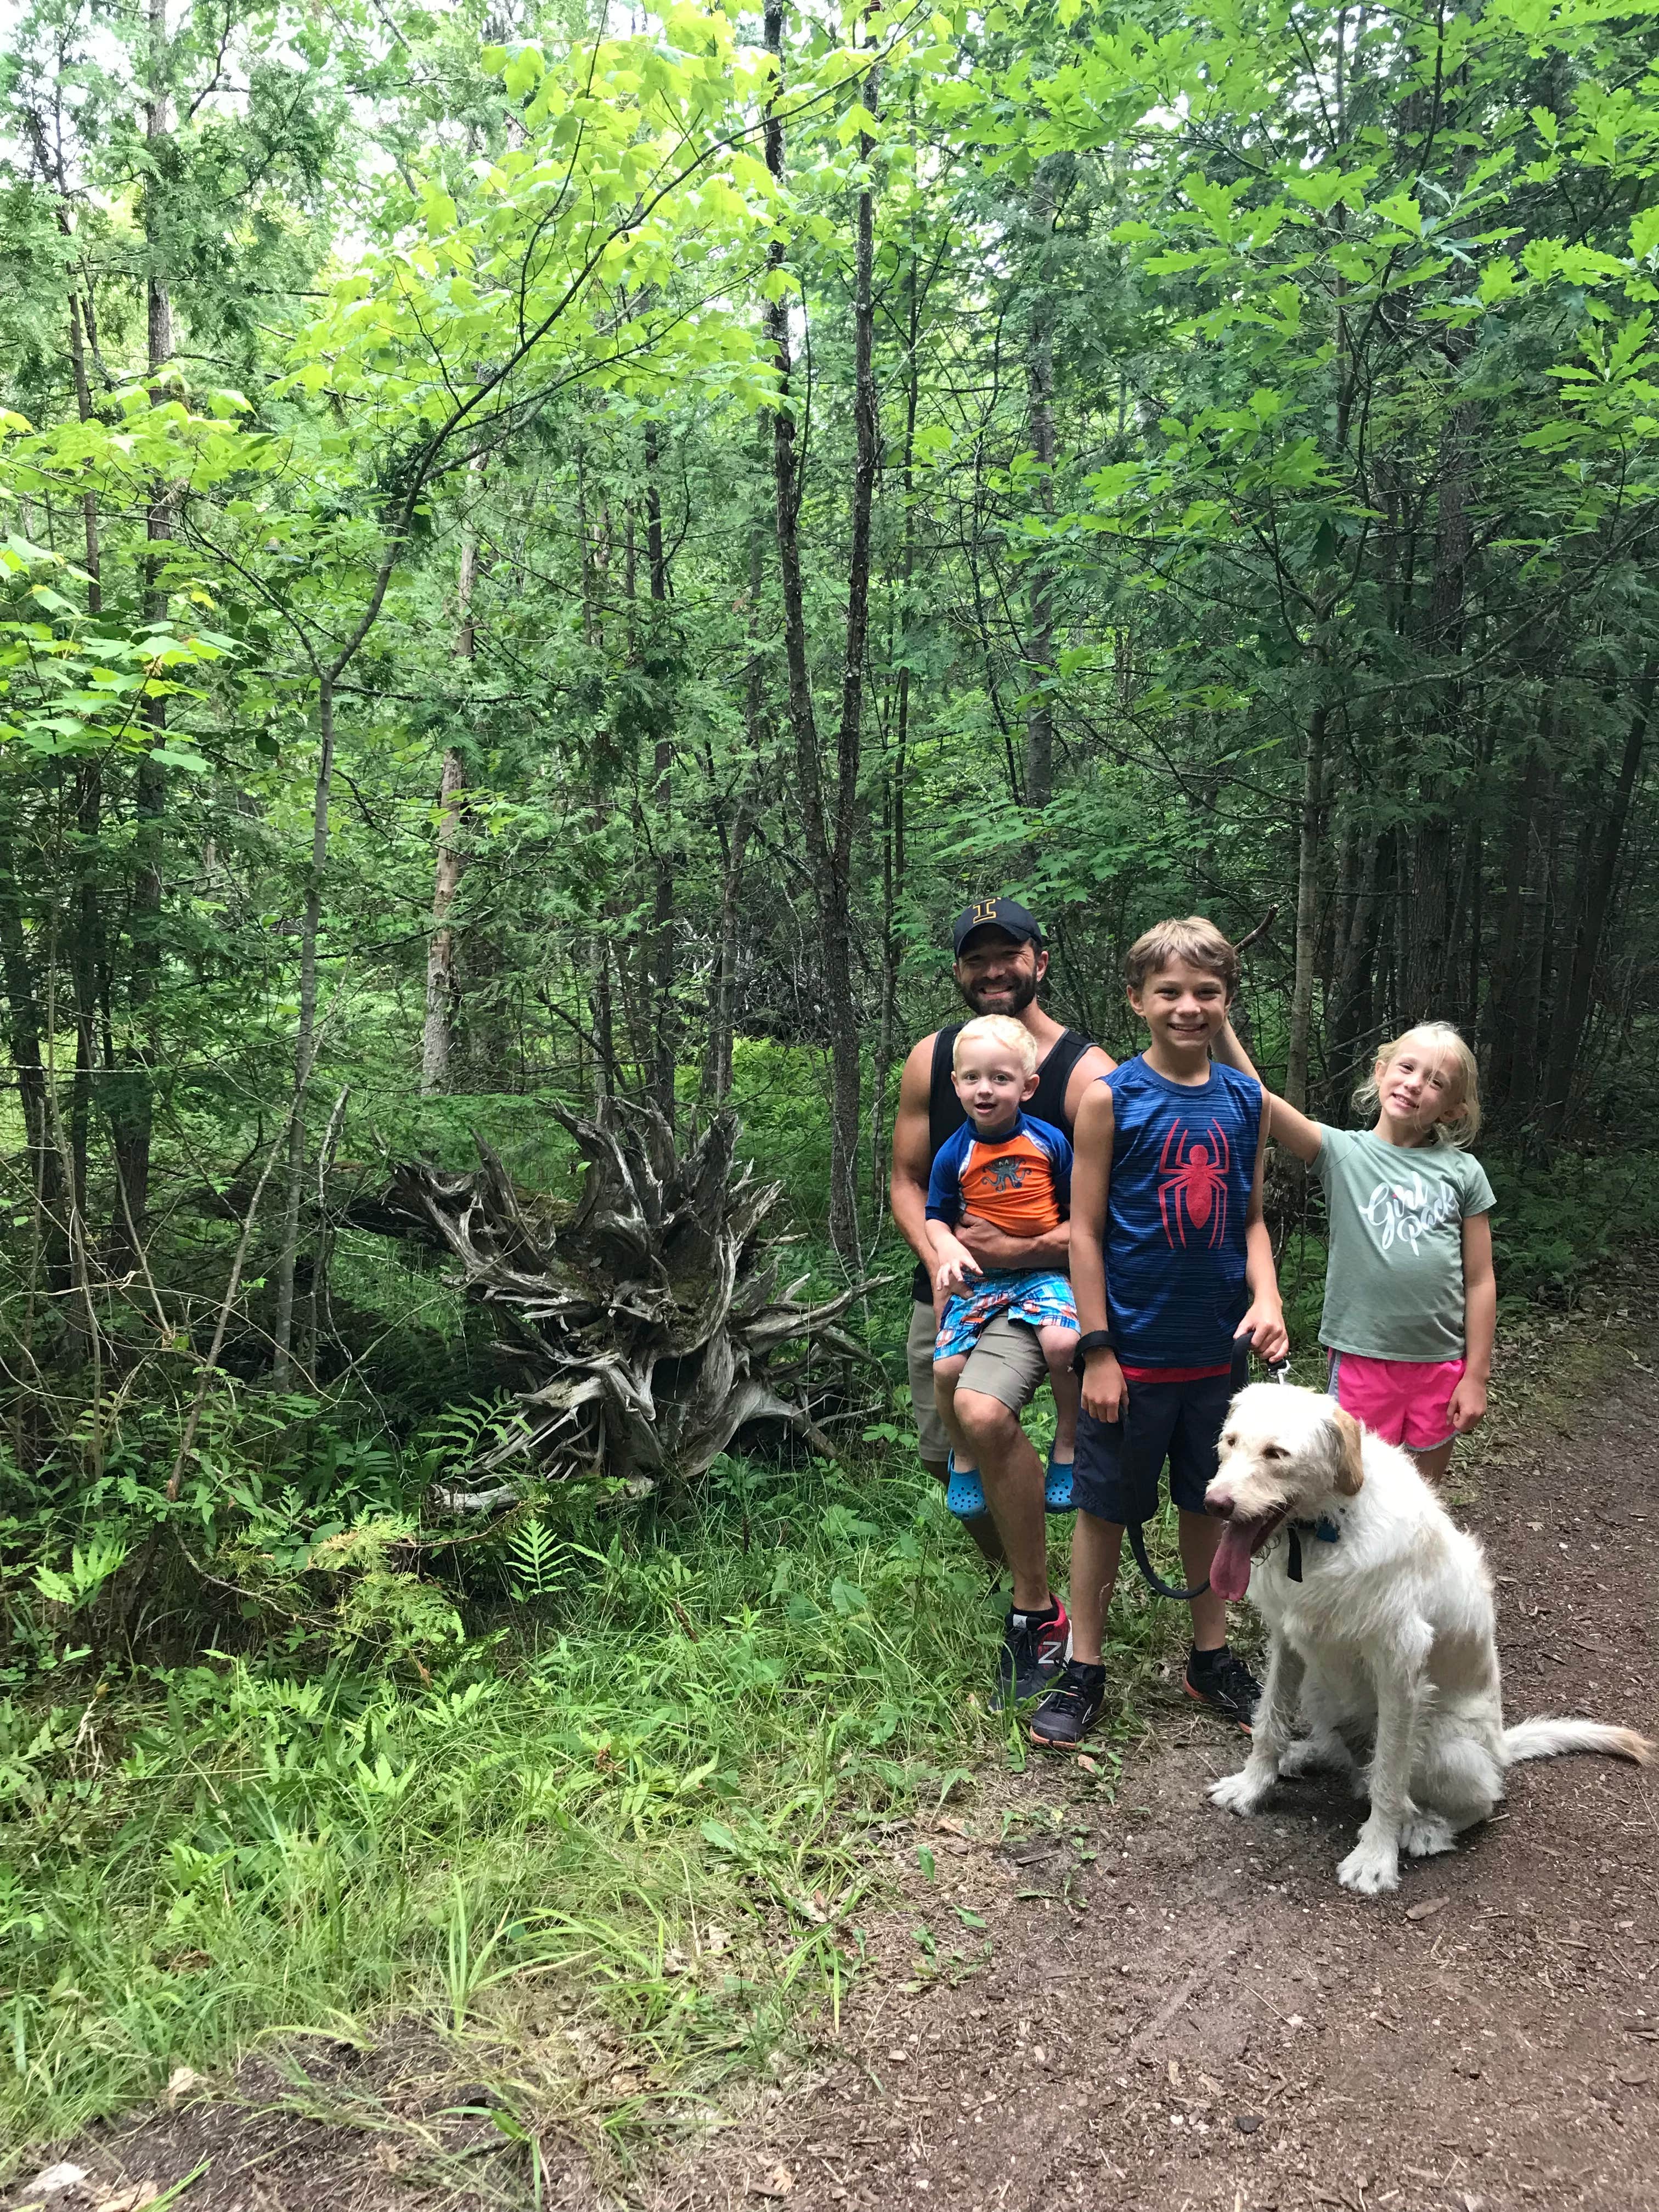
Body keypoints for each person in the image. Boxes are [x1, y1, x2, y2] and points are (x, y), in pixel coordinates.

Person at [1030, 916, 1288, 1750]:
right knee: (1103, 1511)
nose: (1189, 1007)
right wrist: (1098, 1350)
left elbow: (1250, 1218)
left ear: (1226, 1002)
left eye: (1206, 993)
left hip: (1217, 1355)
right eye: (1170, 992)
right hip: (1131, 1358)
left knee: (1208, 1502)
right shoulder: (1111, 1098)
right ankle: (1084, 1667)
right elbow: (1085, 1232)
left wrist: (1269, 1299)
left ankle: (1209, 1658)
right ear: (1137, 999)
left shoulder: (1246, 1098)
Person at [890, 897, 1115, 1707]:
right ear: (958, 971)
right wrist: (942, 1249)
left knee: (983, 1420)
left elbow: (1113, 1212)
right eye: (975, 959)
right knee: (949, 1461)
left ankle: (1036, 1608)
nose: (993, 971)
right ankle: (1029, 1571)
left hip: (1042, 1293)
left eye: (1008, 954)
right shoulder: (936, 1058)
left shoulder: (1087, 1075)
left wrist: (1020, 1251)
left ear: (1039, 961)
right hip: (950, 1294)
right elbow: (909, 1181)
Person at [1212, 1019, 1496, 1485]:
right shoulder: (1343, 1153)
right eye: (1407, 1067)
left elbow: (1480, 1279)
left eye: (1436, 1081)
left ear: (1451, 1110)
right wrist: (1220, 1024)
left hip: (1440, 1363)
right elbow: (1260, 1099)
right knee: (1357, 1489)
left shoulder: (1464, 1173)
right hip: (1362, 1357)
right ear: (1381, 1072)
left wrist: (1476, 1376)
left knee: (1422, 1496)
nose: (1415, 1083)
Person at [926, 1016, 1081, 1491]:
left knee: (1064, 1345)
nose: (985, 1090)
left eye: (1000, 1078)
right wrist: (948, 1246)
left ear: (1028, 1086)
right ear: (955, 1085)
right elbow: (935, 1215)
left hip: (1042, 1272)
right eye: (972, 1078)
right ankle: (965, 1455)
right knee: (947, 1368)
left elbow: (1080, 1212)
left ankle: (1069, 1441)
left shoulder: (1049, 1142)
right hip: (982, 1278)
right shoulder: (954, 1153)